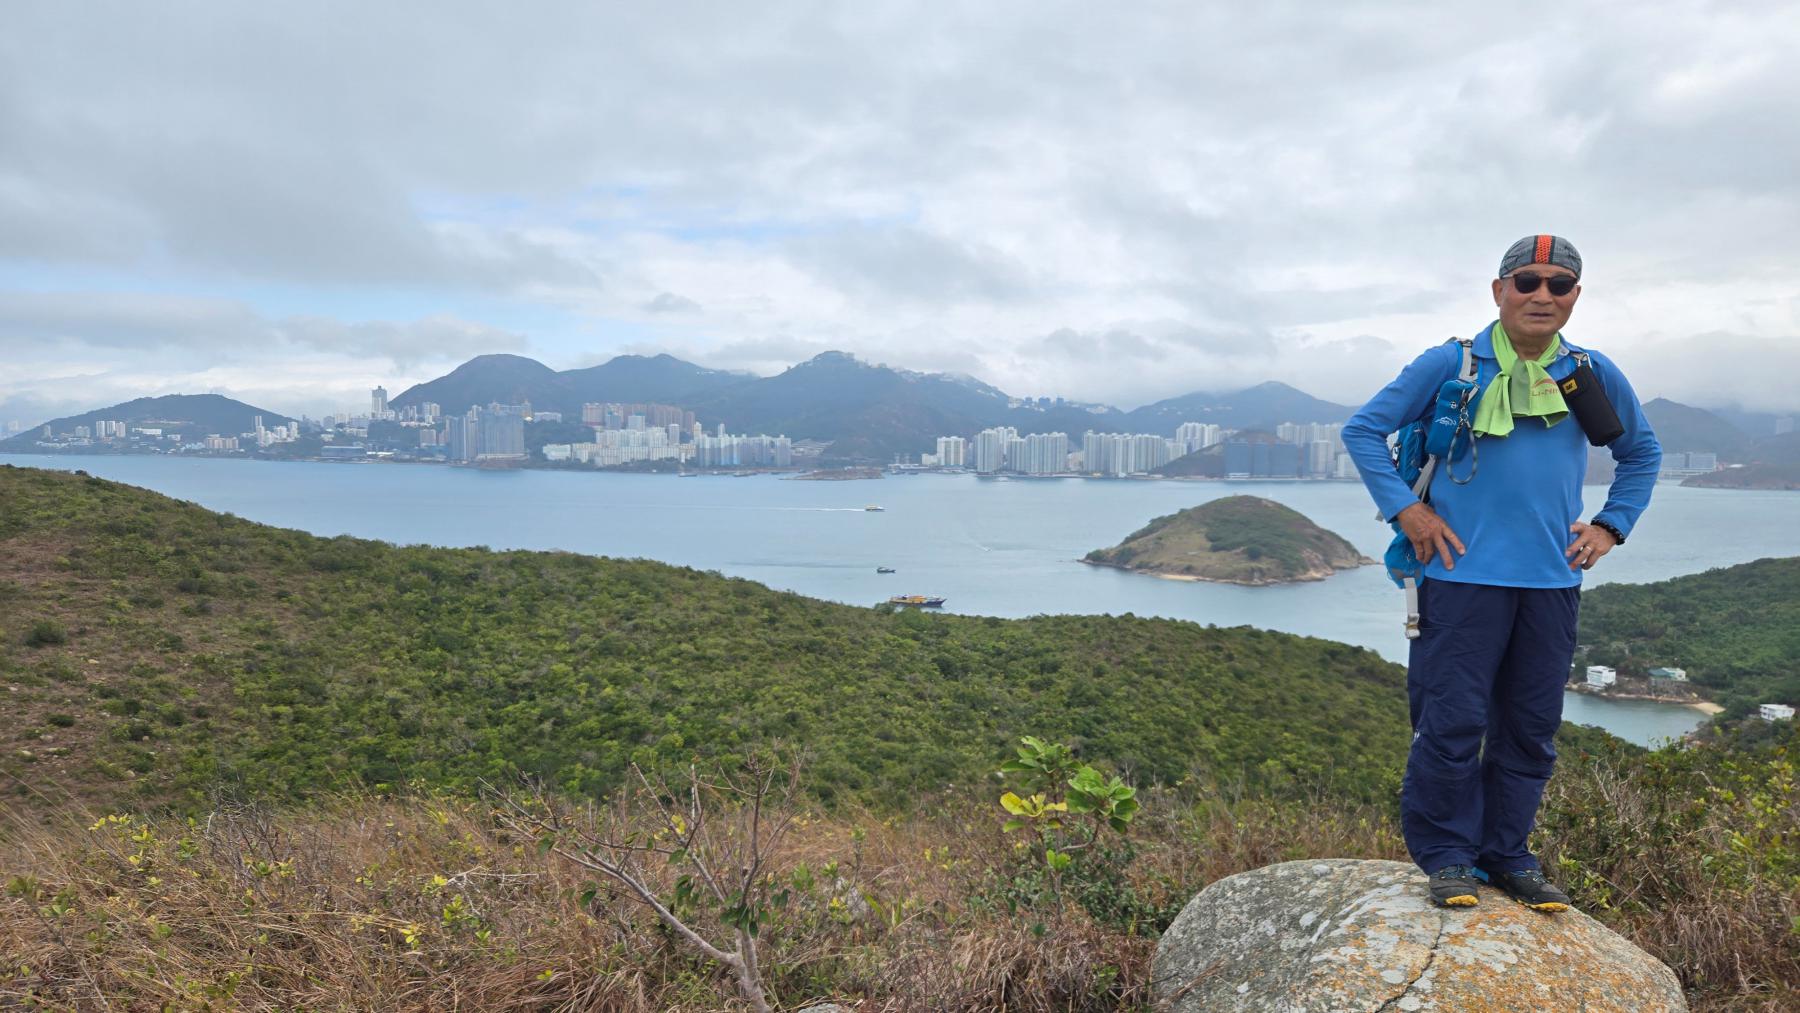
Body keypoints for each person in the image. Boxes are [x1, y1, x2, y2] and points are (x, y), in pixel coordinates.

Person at [1342, 235, 1661, 912]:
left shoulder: (1588, 372)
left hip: (1552, 581)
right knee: (1451, 723)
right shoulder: (1452, 363)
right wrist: (1406, 510)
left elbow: (1642, 452)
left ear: (1575, 296)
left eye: (1559, 284)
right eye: (1527, 281)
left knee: (1531, 729)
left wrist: (1611, 525)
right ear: (1499, 290)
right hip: (1459, 577)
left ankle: (1508, 854)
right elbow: (1363, 430)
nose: (1543, 295)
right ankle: (1448, 855)